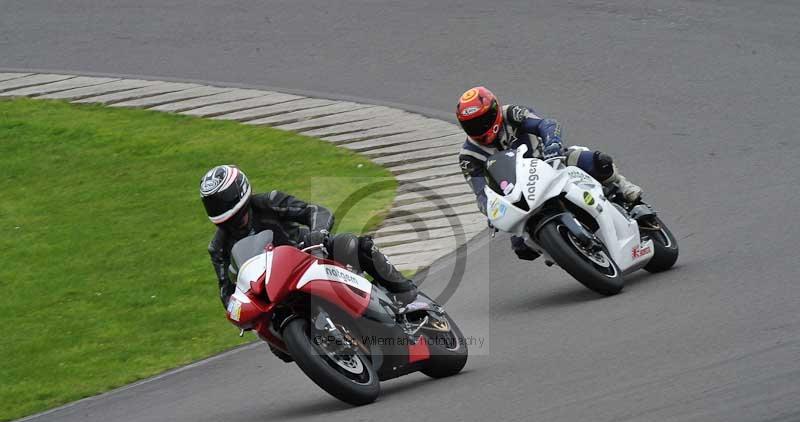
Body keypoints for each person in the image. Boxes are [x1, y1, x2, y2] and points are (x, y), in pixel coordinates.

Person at [456, 86, 643, 260]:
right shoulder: (468, 156)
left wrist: (552, 142)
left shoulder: (512, 113)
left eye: (483, 121)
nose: (479, 128)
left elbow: (546, 124)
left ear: (495, 112)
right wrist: (491, 211)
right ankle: (565, 254)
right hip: (520, 196)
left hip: (551, 164)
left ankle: (624, 189)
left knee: (598, 162)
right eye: (472, 125)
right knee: (522, 248)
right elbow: (481, 192)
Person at [200, 164, 417, 308]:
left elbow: (315, 211)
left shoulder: (269, 202)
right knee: (274, 342)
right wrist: (239, 307)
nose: (218, 207)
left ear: (239, 191)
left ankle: (406, 291)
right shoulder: (218, 247)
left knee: (351, 243)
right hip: (275, 289)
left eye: (222, 199)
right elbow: (226, 290)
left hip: (309, 255)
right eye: (212, 203)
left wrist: (317, 235)